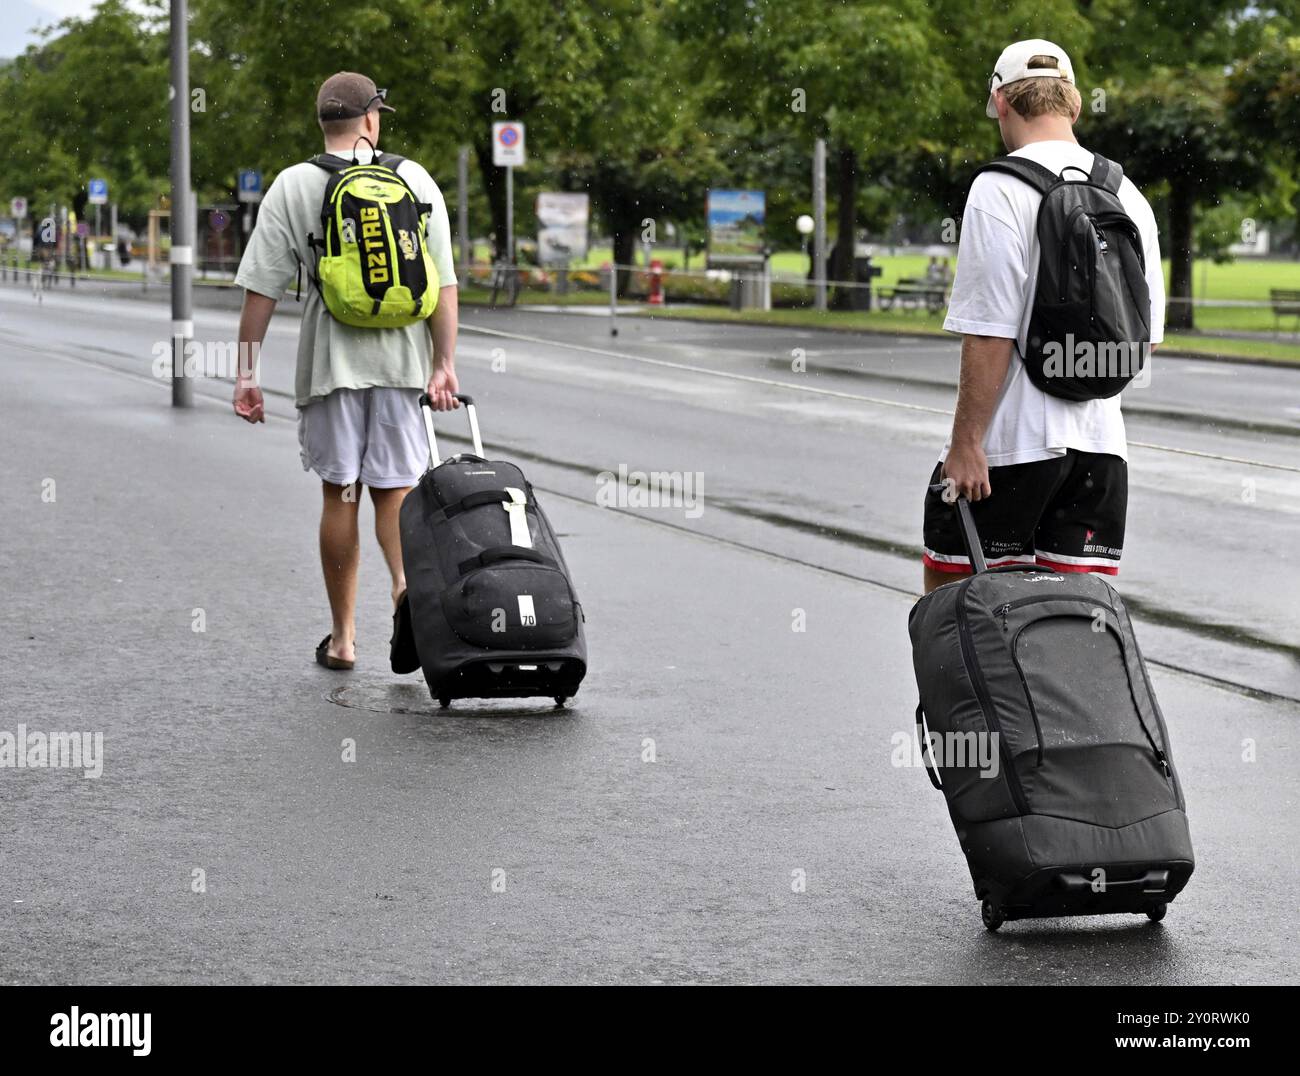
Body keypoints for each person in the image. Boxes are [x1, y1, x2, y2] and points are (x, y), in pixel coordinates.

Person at [232, 71, 460, 668]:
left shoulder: (293, 185)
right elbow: (443, 283)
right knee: (395, 491)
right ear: (372, 118)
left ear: (322, 122)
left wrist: (246, 374)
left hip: (331, 365)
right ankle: (406, 588)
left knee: (341, 493)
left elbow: (262, 290)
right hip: (404, 362)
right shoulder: (414, 179)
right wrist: (444, 365)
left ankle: (343, 639)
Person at [921, 39, 1164, 593]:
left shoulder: (999, 187)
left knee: (955, 613)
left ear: (1002, 103)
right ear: (1074, 106)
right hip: (1101, 455)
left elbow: (990, 332)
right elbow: (1142, 342)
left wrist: (966, 443)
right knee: (1070, 633)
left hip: (1010, 449)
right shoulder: (1129, 195)